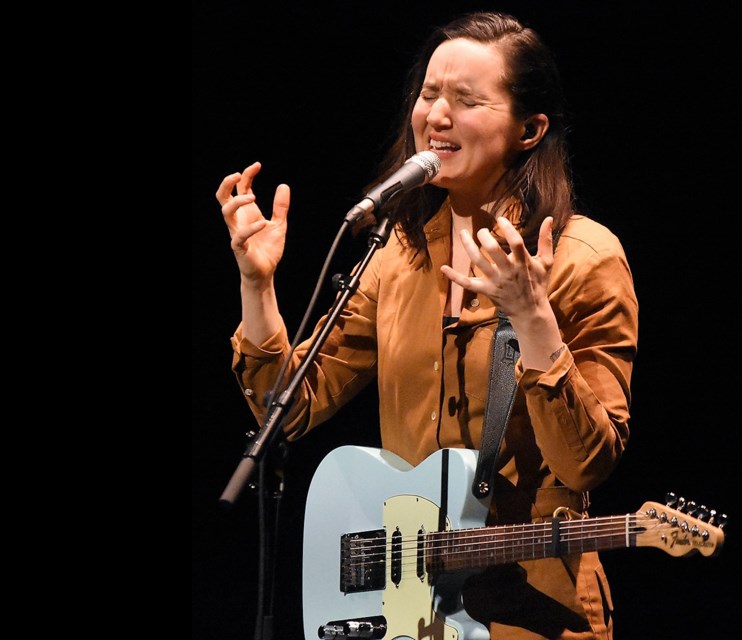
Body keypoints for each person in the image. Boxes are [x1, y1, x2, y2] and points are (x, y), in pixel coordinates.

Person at [216, 11, 638, 640]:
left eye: (466, 100)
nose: (436, 116)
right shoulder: (396, 254)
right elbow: (291, 406)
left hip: (536, 612)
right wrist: (257, 286)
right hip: (411, 610)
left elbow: (588, 463)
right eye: (429, 94)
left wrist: (531, 315)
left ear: (530, 128)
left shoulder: (585, 256)